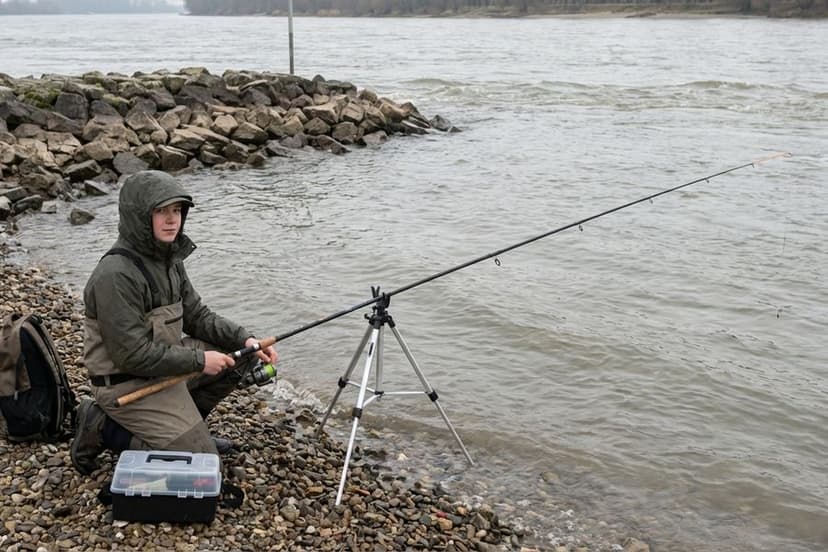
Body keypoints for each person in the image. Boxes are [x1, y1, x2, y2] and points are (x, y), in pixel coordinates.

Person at [70, 170, 277, 475]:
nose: (172, 220)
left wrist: (246, 340)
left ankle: (184, 429)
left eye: (177, 210)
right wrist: (198, 361)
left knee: (240, 357)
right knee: (204, 465)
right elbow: (131, 355)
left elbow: (197, 316)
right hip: (123, 383)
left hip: (161, 369)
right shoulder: (115, 275)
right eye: (161, 211)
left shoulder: (170, 259)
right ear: (139, 217)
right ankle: (102, 425)